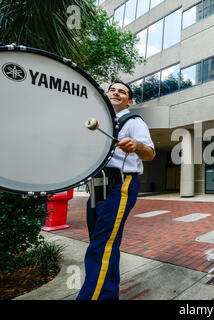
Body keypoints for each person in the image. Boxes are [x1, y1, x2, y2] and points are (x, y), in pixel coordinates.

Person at [77, 81, 155, 300]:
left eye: (122, 91)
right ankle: (108, 296)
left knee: (101, 247)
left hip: (120, 184)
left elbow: (149, 154)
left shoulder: (134, 121)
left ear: (129, 101)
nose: (116, 93)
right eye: (112, 89)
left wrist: (137, 146)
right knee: (102, 244)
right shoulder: (100, 121)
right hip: (97, 187)